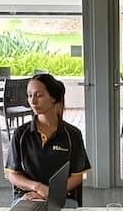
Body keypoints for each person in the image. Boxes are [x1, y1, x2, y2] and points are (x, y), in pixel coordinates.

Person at [5, 73, 90, 204]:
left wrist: (52, 193)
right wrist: (38, 188)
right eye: (29, 95)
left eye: (39, 95)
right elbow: (13, 174)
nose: (32, 101)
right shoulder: (20, 134)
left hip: (62, 197)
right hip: (29, 197)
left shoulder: (73, 134)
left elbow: (78, 176)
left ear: (53, 98)